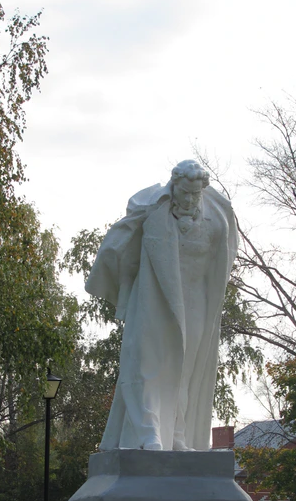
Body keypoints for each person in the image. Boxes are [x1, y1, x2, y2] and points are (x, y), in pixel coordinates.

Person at [86, 160, 238, 451]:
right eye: (184, 192)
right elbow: (120, 244)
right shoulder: (153, 209)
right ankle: (149, 431)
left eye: (195, 194)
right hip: (153, 296)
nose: (190, 200)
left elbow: (222, 261)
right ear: (173, 185)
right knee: (147, 363)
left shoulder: (217, 218)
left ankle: (177, 433)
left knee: (184, 369)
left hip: (195, 303)